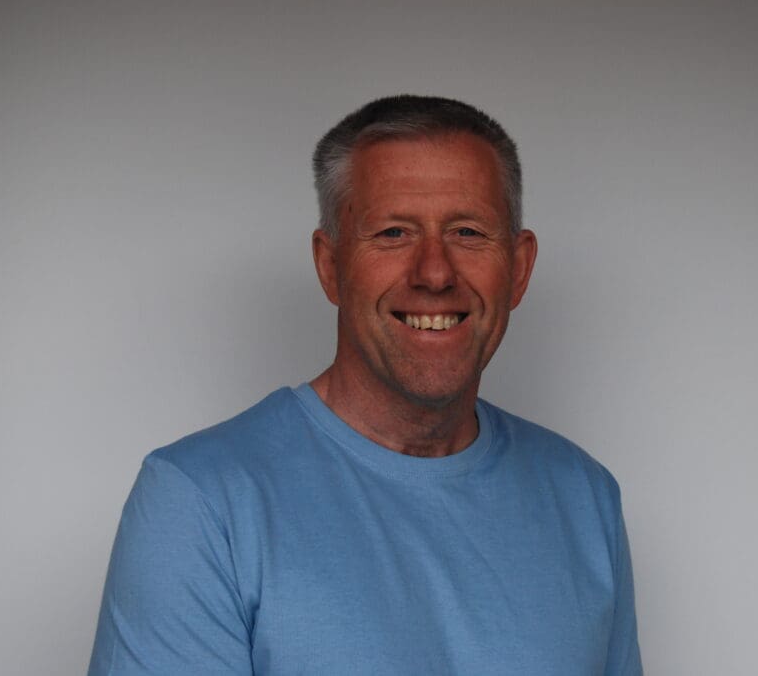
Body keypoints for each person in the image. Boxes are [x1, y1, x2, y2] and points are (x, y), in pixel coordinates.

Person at [88, 95, 642, 675]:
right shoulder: (201, 503)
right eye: (394, 232)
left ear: (520, 268)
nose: (435, 272)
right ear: (330, 265)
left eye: (468, 231)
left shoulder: (585, 499)